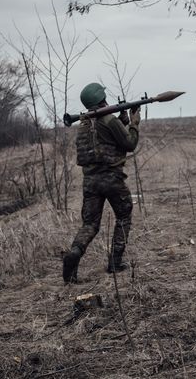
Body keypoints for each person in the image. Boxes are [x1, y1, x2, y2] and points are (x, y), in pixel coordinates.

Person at [62, 83, 140, 284]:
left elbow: (105, 140)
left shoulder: (84, 124)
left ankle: (74, 253)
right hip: (112, 179)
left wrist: (121, 119)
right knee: (123, 215)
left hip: (90, 182)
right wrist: (133, 122)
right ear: (101, 97)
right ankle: (115, 263)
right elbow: (129, 144)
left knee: (90, 224)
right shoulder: (108, 119)